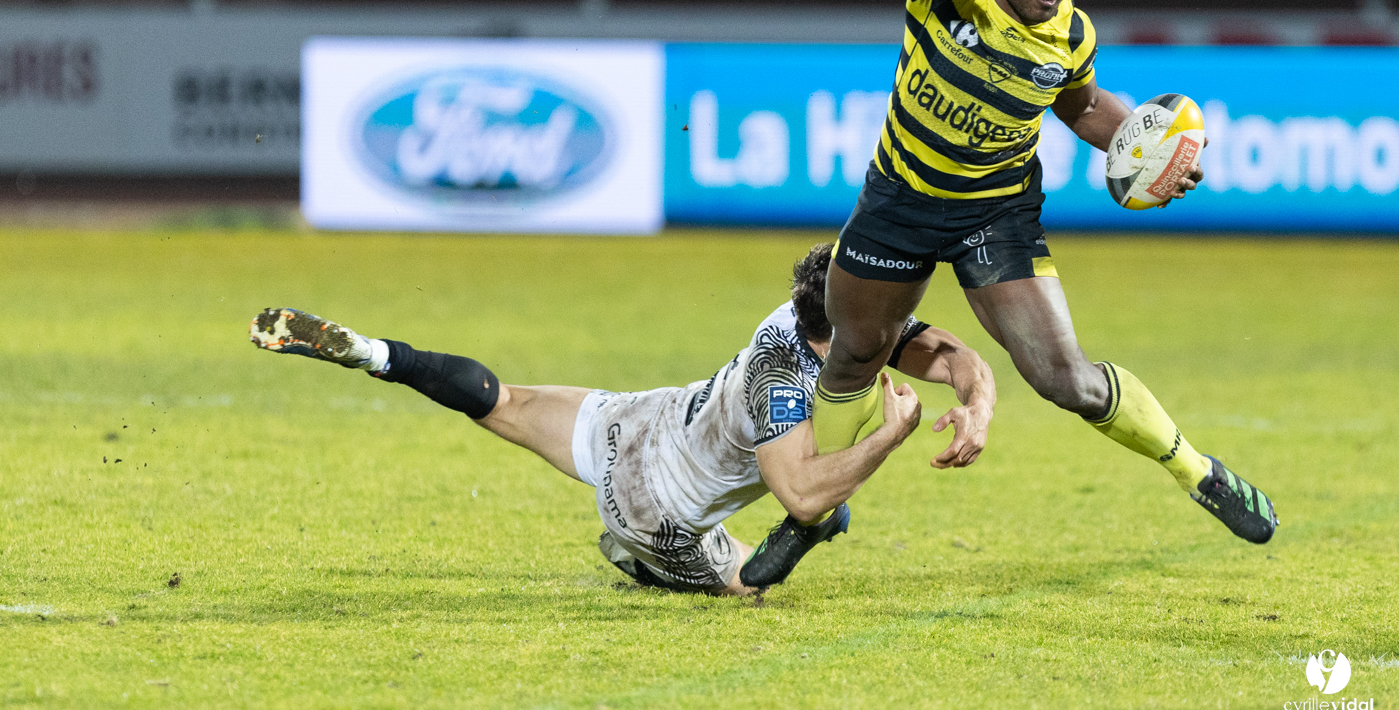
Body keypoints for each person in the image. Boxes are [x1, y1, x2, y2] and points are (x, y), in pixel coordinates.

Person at [814, 0, 1276, 544]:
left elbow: (1082, 107)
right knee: (856, 351)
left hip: (995, 214)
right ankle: (815, 510)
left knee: (1068, 380)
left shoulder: (1071, 35)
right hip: (900, 200)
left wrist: (1153, 151)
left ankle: (1198, 471)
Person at [248, 243, 996, 596]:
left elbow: (955, 355)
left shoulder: (826, 313)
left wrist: (976, 401)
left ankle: (378, 352)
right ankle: (638, 558)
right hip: (653, 507)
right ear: (839, 317)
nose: (895, 318)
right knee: (752, 579)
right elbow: (799, 490)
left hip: (640, 423)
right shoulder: (782, 383)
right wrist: (892, 436)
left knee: (502, 400)